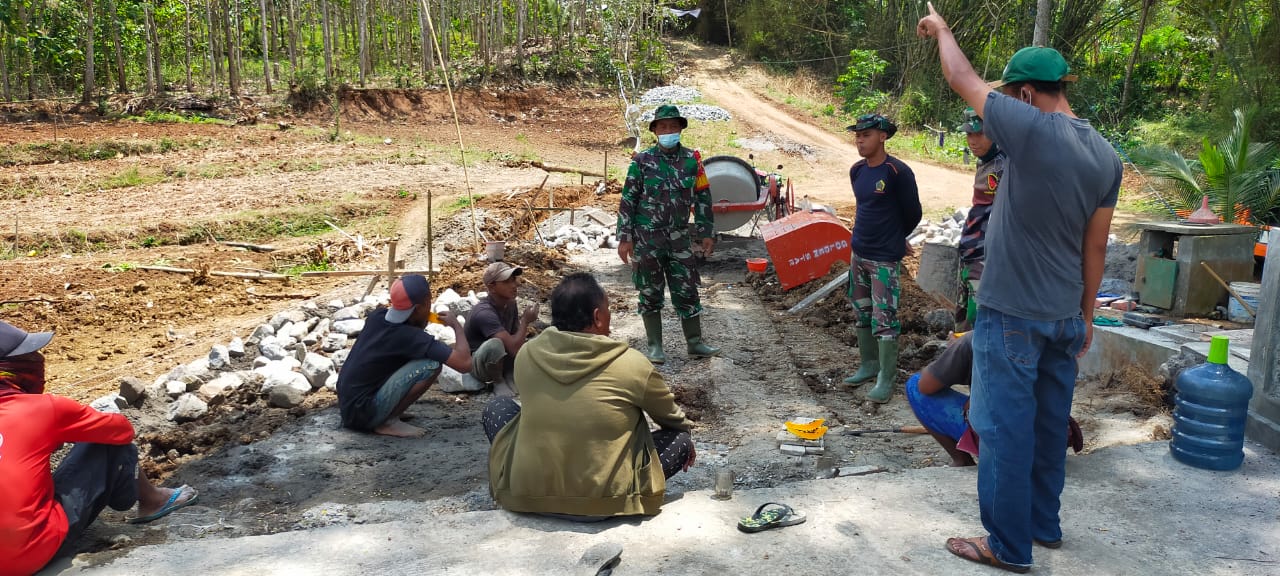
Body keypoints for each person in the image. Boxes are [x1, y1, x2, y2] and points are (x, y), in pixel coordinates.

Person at [919, 4, 1122, 572]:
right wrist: (1084, 316)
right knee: (1047, 424)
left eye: (1012, 95)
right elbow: (1096, 248)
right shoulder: (1106, 155)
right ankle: (1042, 525)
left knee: (1001, 430)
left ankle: (1007, 546)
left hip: (1012, 314)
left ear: (1027, 95)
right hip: (1062, 317)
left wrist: (943, 30)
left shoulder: (1030, 128)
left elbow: (961, 77)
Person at [483, 272, 695, 519]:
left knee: (497, 408)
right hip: (607, 500)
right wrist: (686, 437)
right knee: (680, 440)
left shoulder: (527, 354)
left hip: (526, 495)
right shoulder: (633, 364)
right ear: (597, 317)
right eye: (607, 310)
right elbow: (672, 420)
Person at [0, 320, 200, 575]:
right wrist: (63, 429)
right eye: (27, 355)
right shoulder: (43, 409)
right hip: (24, 558)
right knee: (108, 442)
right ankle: (153, 500)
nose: (35, 358)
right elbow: (121, 430)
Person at [616, 103, 720, 364]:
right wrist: (624, 238)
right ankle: (655, 347)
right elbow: (628, 199)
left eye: (673, 126)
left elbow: (703, 197)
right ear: (655, 131)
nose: (668, 131)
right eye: (663, 127)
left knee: (687, 290)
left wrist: (707, 231)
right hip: (647, 239)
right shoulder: (641, 162)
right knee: (650, 292)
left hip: (679, 239)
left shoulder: (692, 161)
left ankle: (695, 343)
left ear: (680, 129)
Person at [906, 332, 1083, 468]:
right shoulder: (1057, 340)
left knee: (914, 385)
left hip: (1009, 449)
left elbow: (925, 386)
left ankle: (962, 461)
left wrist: (952, 352)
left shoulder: (976, 339)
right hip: (1052, 444)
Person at [842, 113, 923, 404]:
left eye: (866, 135)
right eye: (857, 135)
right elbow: (866, 207)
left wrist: (896, 237)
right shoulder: (858, 171)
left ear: (882, 136)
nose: (860, 140)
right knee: (862, 310)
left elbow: (913, 212)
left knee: (884, 317)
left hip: (885, 259)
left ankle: (886, 378)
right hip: (859, 252)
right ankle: (868, 365)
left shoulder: (897, 172)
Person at [336, 274, 473, 438]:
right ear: (420, 307)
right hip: (364, 414)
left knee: (415, 359)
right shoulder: (409, 337)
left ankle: (388, 410)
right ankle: (387, 421)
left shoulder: (377, 317)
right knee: (431, 365)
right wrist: (456, 325)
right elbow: (465, 364)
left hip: (350, 408)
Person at [954, 107, 1007, 332]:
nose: (973, 141)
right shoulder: (984, 161)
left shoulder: (1005, 164)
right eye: (969, 134)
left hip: (986, 254)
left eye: (979, 134)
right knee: (962, 319)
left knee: (978, 325)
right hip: (971, 248)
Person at [463, 262, 539, 397]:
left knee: (535, 343)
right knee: (495, 344)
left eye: (514, 280)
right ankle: (498, 381)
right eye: (507, 282)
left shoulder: (510, 304)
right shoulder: (484, 313)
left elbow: (515, 338)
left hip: (504, 357)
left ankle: (510, 373)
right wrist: (525, 321)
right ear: (492, 287)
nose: (514, 285)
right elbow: (513, 348)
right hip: (480, 363)